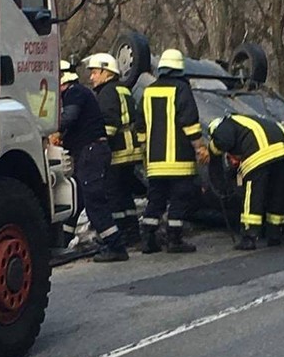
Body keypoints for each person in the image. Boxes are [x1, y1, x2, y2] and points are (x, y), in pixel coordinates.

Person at [134, 48, 209, 254]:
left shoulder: (148, 91)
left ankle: (148, 239)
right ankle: (174, 240)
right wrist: (200, 147)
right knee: (179, 198)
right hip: (179, 160)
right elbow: (190, 124)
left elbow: (139, 125)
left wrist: (145, 148)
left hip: (155, 162)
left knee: (155, 199)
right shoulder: (182, 89)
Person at [54, 60, 129, 263]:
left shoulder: (75, 92)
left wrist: (51, 129)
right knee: (78, 199)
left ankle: (115, 245)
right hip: (88, 152)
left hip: (91, 152)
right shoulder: (75, 93)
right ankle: (61, 242)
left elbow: (68, 117)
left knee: (94, 200)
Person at [207, 114, 284, 250]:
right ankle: (274, 233)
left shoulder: (224, 126)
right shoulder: (246, 120)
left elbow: (224, 142)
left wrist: (214, 146)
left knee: (253, 194)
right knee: (277, 192)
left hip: (259, 154)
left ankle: (249, 236)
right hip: (283, 151)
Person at [84, 52, 142, 246]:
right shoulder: (123, 89)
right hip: (130, 149)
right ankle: (132, 231)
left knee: (114, 194)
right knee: (125, 194)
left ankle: (120, 234)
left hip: (117, 150)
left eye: (94, 73)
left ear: (106, 72)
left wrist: (98, 141)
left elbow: (109, 123)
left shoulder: (107, 93)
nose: (92, 77)